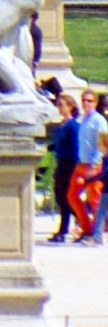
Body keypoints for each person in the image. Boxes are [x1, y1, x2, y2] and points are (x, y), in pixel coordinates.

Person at [67, 88, 105, 246]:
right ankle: (87, 229)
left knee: (95, 199)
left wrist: (95, 164)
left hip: (94, 165)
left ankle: (96, 235)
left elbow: (103, 144)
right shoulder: (84, 119)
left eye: (89, 101)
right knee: (72, 196)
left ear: (95, 103)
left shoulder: (99, 120)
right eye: (84, 100)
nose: (86, 103)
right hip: (81, 164)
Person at [48, 94, 82, 243]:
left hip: (69, 165)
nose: (59, 108)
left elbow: (75, 149)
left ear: (70, 107)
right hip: (61, 163)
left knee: (66, 198)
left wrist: (76, 168)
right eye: (59, 105)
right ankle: (68, 227)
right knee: (61, 198)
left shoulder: (73, 126)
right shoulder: (62, 125)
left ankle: (68, 227)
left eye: (62, 105)